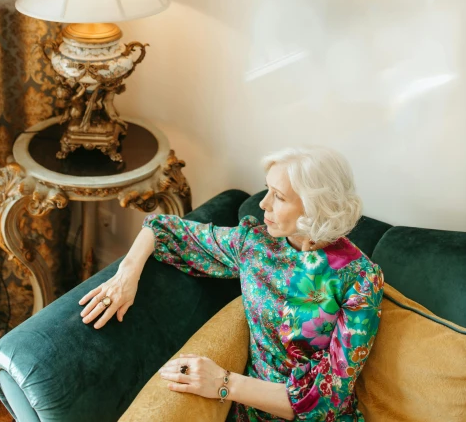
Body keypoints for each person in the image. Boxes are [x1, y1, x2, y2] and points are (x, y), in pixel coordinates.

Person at [78, 146, 384, 422]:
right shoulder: (255, 244)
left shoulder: (360, 278)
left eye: (278, 196)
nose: (263, 204)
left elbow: (327, 400)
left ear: (316, 206)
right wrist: (126, 275)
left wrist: (223, 383)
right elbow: (163, 230)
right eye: (268, 190)